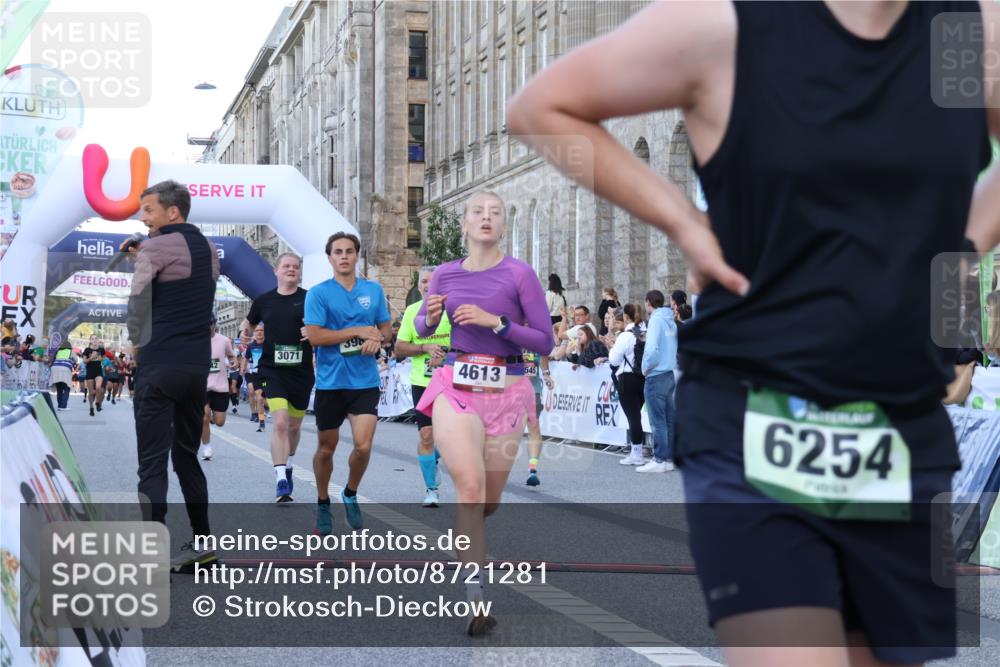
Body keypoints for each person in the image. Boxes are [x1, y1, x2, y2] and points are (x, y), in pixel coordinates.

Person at [509, 2, 999, 663]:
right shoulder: (727, 27)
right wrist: (683, 221)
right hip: (756, 409)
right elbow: (543, 108)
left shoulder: (967, 32)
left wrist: (963, 245)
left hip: (903, 425)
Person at [413, 190, 553, 635]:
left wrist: (498, 323)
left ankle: (469, 530)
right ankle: (476, 602)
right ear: (465, 224)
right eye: (478, 212)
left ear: (503, 226)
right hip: (456, 387)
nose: (486, 218)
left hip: (508, 390)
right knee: (470, 490)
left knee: (488, 502)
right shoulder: (444, 274)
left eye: (495, 212)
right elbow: (424, 327)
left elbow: (545, 341)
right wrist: (429, 315)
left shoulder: (520, 274)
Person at [127, 179, 219, 572]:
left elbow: (138, 305)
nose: (143, 218)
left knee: (151, 463)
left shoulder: (155, 247)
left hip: (159, 365)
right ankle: (203, 544)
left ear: (172, 211)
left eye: (148, 210)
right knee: (186, 457)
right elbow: (183, 288)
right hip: (194, 368)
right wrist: (145, 252)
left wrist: (136, 345)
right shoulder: (209, 249)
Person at [305, 232, 391, 535]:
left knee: (363, 446)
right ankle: (323, 501)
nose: (344, 256)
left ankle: (351, 492)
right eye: (338, 252)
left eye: (349, 251)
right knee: (326, 449)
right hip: (331, 383)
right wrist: (358, 331)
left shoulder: (373, 290)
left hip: (364, 381)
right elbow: (315, 336)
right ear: (330, 258)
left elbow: (385, 330)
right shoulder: (318, 293)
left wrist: (377, 338)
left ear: (357, 255)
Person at [240, 252, 315, 503]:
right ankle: (281, 478)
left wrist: (313, 331)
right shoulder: (264, 300)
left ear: (299, 272)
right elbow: (248, 324)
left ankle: (289, 463)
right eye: (286, 266)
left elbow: (326, 326)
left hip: (301, 372)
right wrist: (244, 332)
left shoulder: (309, 298)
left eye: (295, 266)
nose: (291, 269)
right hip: (272, 370)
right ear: (276, 270)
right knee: (280, 422)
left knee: (294, 426)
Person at [395, 266, 452, 507]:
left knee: (451, 438)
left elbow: (466, 344)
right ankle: (431, 489)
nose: (428, 286)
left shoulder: (453, 310)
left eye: (432, 281)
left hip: (451, 382)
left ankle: (434, 458)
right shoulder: (412, 311)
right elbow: (399, 347)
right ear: (419, 286)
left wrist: (445, 353)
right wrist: (424, 348)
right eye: (424, 282)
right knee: (426, 434)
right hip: (423, 382)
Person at [637, 290, 677, 473]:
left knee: (657, 420)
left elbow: (652, 348)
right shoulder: (670, 320)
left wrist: (645, 367)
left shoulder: (655, 320)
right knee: (668, 419)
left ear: (648, 302)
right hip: (669, 372)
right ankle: (668, 458)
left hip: (656, 374)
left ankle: (659, 459)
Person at [607, 304, 646, 466]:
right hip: (642, 377)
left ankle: (637, 453)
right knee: (637, 416)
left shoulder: (625, 336)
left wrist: (612, 347)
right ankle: (638, 451)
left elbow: (614, 360)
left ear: (625, 317)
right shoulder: (643, 333)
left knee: (633, 417)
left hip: (627, 377)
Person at [201, 315, 237, 462]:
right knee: (204, 416)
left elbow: (232, 356)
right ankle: (206, 447)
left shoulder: (224, 340)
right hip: (202, 386)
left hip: (220, 386)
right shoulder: (196, 340)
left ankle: (211, 417)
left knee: (220, 422)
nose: (208, 326)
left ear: (215, 324)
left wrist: (234, 363)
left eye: (210, 323)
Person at [522, 350, 554, 486]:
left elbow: (543, 354)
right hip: (508, 390)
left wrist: (546, 374)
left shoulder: (535, 341)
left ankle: (532, 469)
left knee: (534, 429)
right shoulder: (506, 338)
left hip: (532, 391)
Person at [242, 323, 267, 431]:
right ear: (254, 333)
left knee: (268, 400)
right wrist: (243, 368)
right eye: (257, 330)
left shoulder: (269, 344)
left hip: (269, 376)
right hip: (256, 375)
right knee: (260, 398)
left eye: (261, 330)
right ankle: (261, 422)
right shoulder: (251, 346)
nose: (259, 332)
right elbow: (246, 358)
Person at [81, 335, 106, 416]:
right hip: (90, 372)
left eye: (96, 338)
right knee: (91, 392)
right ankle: (91, 407)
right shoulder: (87, 350)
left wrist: (100, 358)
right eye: (92, 339)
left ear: (98, 340)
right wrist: (91, 358)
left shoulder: (101, 349)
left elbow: (103, 358)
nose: (94, 340)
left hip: (98, 371)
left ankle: (97, 403)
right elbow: (84, 361)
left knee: (98, 387)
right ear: (90, 341)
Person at [49, 342, 74, 411]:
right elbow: (76, 359)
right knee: (67, 388)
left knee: (59, 388)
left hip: (55, 369)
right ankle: (63, 406)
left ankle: (59, 405)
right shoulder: (70, 351)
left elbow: (53, 360)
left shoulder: (58, 351)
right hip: (65, 369)